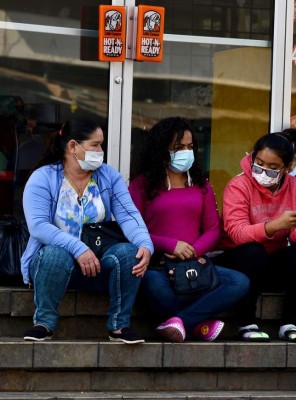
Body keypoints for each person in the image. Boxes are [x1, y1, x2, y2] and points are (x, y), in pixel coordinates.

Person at [20, 118, 153, 343]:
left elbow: (129, 216)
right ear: (73, 146)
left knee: (131, 252)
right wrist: (79, 248)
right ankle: (44, 322)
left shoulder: (109, 176)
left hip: (98, 265)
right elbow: (38, 226)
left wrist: (145, 245)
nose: (101, 151)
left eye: (101, 145)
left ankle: (119, 326)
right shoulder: (43, 178)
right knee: (54, 254)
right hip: (54, 268)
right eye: (95, 145)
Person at [129, 117, 250, 343]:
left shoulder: (201, 184)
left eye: (190, 146)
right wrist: (170, 245)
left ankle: (182, 322)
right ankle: (198, 325)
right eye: (178, 147)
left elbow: (213, 229)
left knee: (239, 282)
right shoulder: (141, 185)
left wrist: (193, 251)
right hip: (158, 265)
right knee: (152, 283)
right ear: (161, 149)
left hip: (196, 265)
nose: (186, 151)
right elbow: (133, 229)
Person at [212, 132, 296, 342]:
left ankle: (289, 324)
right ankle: (247, 323)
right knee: (253, 251)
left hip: (270, 262)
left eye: (272, 167)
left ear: (288, 168)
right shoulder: (239, 185)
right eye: (259, 163)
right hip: (234, 261)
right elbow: (237, 232)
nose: (263, 171)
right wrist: (273, 226)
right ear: (252, 157)